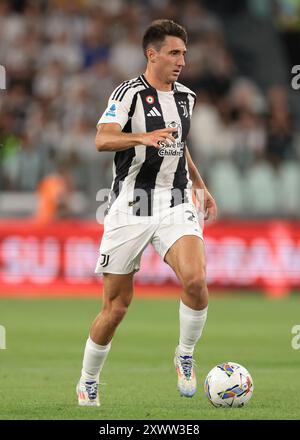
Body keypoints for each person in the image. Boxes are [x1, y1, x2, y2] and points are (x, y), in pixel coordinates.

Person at [76, 19, 217, 407]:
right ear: (151, 54)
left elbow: (181, 145)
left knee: (196, 281)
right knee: (116, 307)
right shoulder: (128, 94)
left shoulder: (187, 97)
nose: (181, 61)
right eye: (174, 53)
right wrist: (140, 136)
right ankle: (88, 380)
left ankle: (185, 355)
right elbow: (101, 138)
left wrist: (200, 186)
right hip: (131, 207)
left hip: (174, 202)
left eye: (184, 54)